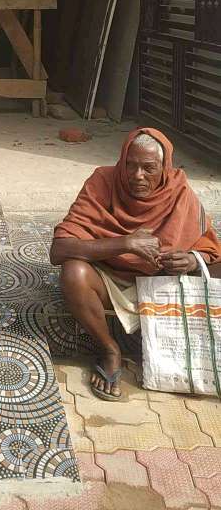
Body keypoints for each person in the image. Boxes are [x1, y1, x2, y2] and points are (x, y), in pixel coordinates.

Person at [50, 127, 221, 401]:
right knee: (74, 273)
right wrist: (125, 243)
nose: (137, 175)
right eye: (130, 165)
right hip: (110, 281)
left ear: (165, 168)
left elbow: (210, 248)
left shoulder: (179, 189)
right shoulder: (103, 181)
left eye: (148, 168)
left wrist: (190, 260)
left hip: (161, 283)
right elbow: (59, 250)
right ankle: (109, 349)